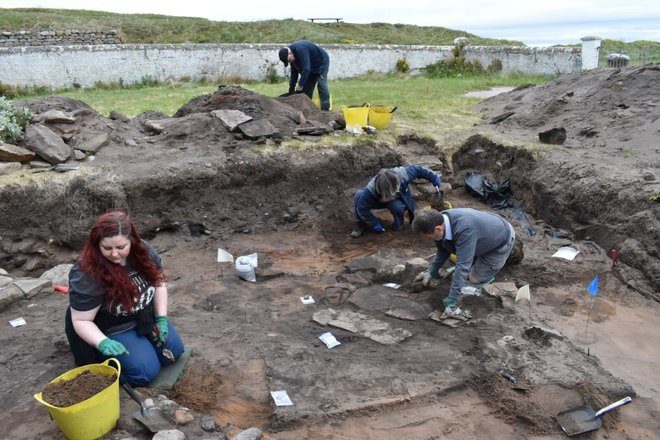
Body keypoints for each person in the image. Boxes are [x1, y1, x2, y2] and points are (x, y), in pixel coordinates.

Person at [65, 210, 185, 385]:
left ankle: (141, 346)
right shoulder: (86, 272)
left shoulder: (143, 251)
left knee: (173, 353)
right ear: (97, 244)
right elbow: (81, 320)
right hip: (113, 326)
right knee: (144, 372)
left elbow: (159, 283)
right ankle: (98, 355)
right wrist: (102, 343)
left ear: (132, 241)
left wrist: (161, 319)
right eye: (107, 248)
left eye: (121, 247)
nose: (114, 254)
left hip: (143, 315)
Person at [412, 208, 523, 319]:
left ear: (438, 229)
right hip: (482, 231)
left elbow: (462, 267)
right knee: (463, 255)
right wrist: (432, 270)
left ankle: (509, 253)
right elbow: (443, 249)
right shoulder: (437, 220)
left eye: (429, 237)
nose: (428, 240)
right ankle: (475, 254)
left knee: (473, 279)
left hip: (500, 241)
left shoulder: (464, 230)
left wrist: (451, 302)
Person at [352, 165, 441, 238]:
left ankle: (398, 224)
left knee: (397, 207)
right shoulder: (370, 190)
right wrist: (374, 222)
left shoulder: (403, 175)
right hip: (377, 201)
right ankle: (361, 225)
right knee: (359, 195)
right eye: (387, 195)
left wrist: (434, 177)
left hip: (396, 198)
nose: (389, 196)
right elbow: (362, 209)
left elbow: (419, 170)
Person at [278, 40, 331, 110]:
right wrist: (291, 87)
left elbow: (306, 69)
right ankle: (308, 108)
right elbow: (294, 72)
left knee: (321, 84)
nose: (290, 62)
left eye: (289, 61)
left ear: (289, 53)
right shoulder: (291, 56)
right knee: (307, 87)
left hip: (321, 62)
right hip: (310, 65)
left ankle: (325, 109)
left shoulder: (300, 49)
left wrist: (300, 85)